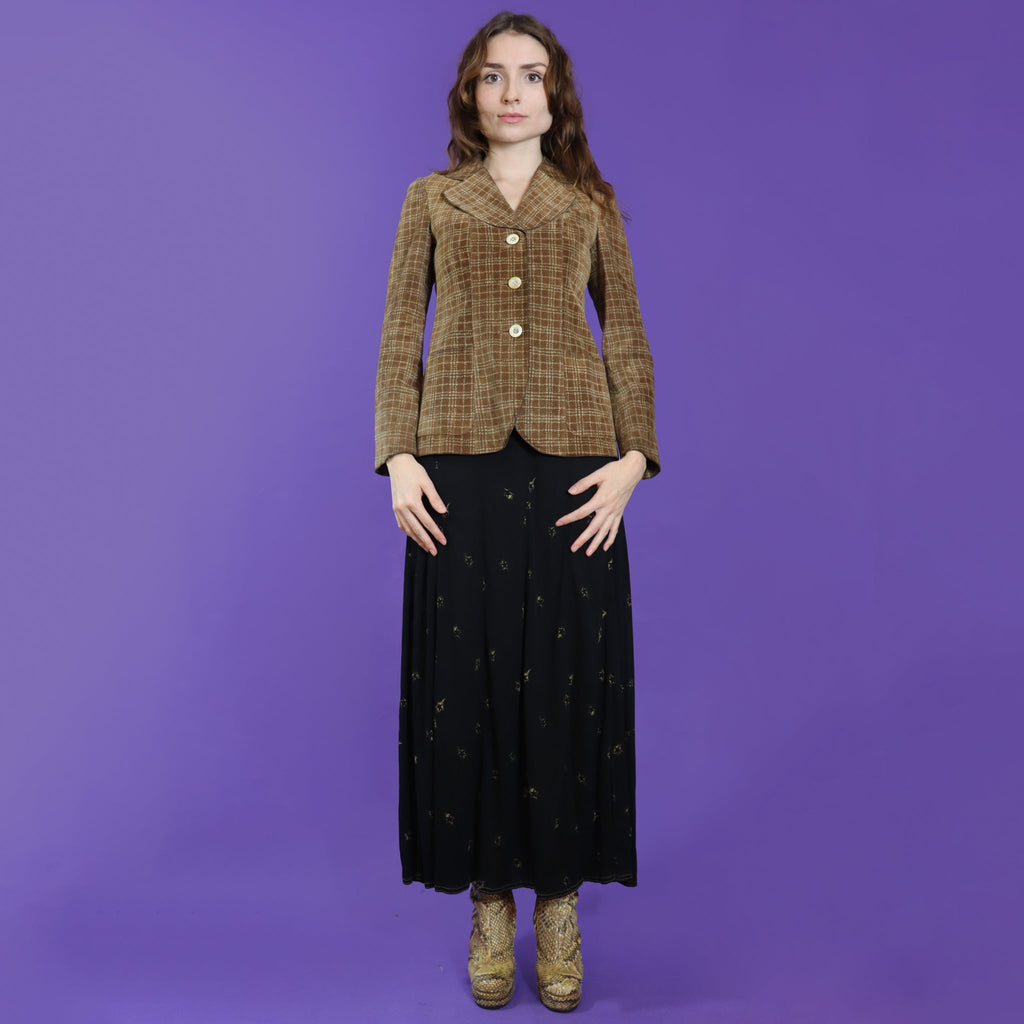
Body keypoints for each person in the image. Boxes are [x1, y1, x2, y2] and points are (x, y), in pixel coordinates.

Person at [374, 11, 659, 1012]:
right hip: (453, 469)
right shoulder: (429, 198)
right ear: (470, 92)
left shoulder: (588, 203)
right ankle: (489, 903)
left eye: (530, 76)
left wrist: (633, 461)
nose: (510, 92)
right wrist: (397, 457)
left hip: (574, 471)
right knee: (470, 688)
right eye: (493, 75)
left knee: (564, 687)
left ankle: (559, 904)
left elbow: (625, 336)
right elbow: (397, 334)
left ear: (555, 95)